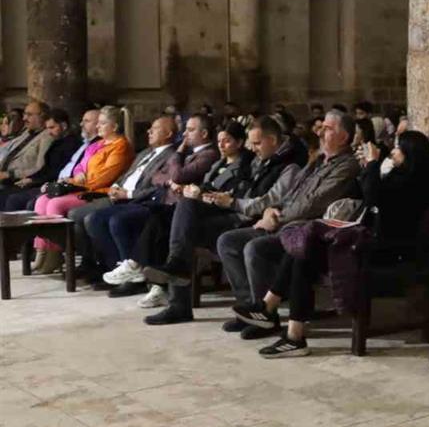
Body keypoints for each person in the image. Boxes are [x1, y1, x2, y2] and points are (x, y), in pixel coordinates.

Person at [237, 130, 429, 357]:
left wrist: (373, 165)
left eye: (397, 148)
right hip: (371, 243)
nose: (393, 152)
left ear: (410, 153)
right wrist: (368, 168)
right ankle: (284, 326)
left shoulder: (416, 184)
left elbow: (374, 201)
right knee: (302, 248)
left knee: (305, 248)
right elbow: (363, 194)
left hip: (388, 251)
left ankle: (279, 320)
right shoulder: (398, 176)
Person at [143, 117, 304, 327]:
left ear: (272, 140)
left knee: (187, 233)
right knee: (185, 214)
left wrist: (233, 201)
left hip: (255, 219)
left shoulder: (290, 166)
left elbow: (270, 200)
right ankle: (177, 278)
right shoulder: (262, 159)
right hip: (238, 211)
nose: (252, 148)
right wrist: (221, 196)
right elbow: (246, 188)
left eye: (256, 143)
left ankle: (188, 299)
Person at [208, 111, 360, 327]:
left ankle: (266, 315)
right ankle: (251, 309)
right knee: (228, 241)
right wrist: (272, 209)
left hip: (302, 230)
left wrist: (277, 219)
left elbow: (312, 204)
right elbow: (291, 194)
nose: (319, 132)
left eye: (327, 129)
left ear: (343, 137)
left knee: (254, 248)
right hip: (282, 221)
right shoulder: (318, 161)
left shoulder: (347, 166)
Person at [90, 115, 218, 297]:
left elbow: (177, 176)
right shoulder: (187, 153)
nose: (185, 134)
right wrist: (169, 180)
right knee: (101, 218)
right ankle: (136, 270)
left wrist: (178, 156)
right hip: (168, 201)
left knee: (143, 221)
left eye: (190, 130)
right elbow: (156, 177)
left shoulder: (206, 154)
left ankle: (143, 273)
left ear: (204, 134)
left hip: (177, 204)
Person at [32, 107, 136, 274]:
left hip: (98, 191)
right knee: (42, 200)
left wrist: (72, 181)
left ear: (115, 127)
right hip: (82, 186)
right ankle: (43, 251)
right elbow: (80, 166)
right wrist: (78, 174)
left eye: (102, 123)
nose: (98, 126)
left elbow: (103, 178)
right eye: (98, 123)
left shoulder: (120, 146)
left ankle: (58, 253)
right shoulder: (97, 144)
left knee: (56, 205)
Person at [1, 109, 83, 212]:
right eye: (47, 128)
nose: (49, 132)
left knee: (14, 199)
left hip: (54, 184)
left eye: (52, 127)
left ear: (64, 126)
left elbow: (57, 171)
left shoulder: (72, 144)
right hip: (42, 181)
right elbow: (45, 168)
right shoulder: (57, 142)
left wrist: (34, 180)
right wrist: (31, 178)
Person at [0, 101, 53, 189]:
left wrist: (9, 174)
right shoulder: (27, 132)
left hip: (16, 182)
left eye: (29, 115)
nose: (24, 118)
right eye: (24, 114)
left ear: (43, 116)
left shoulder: (48, 136)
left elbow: (39, 167)